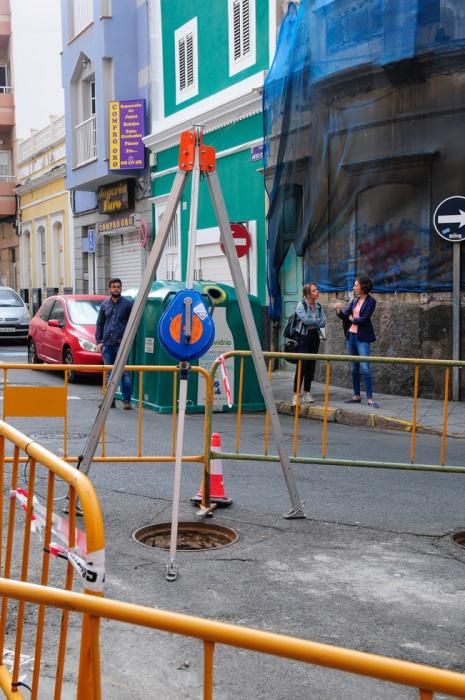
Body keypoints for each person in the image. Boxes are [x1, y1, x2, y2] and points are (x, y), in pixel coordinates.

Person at [334, 275, 378, 407]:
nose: (354, 287)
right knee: (354, 368)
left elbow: (364, 319)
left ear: (363, 287)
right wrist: (338, 311)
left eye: (356, 285)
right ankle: (356, 395)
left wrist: (353, 319)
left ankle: (370, 398)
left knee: (365, 367)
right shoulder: (354, 300)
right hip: (351, 336)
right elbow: (346, 316)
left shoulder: (371, 301)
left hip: (363, 337)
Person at [95, 278, 134, 410]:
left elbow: (132, 324)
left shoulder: (128, 304)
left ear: (121, 288)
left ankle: (126, 401)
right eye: (114, 287)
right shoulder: (105, 305)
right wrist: (99, 342)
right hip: (107, 345)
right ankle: (109, 401)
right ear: (109, 289)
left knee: (124, 373)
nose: (116, 289)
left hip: (121, 344)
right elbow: (100, 324)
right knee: (108, 373)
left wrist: (128, 341)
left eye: (118, 287)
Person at [292, 283, 326, 406]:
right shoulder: (301, 305)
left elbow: (323, 322)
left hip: (314, 337)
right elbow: (305, 321)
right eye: (314, 290)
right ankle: (296, 394)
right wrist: (316, 322)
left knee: (311, 365)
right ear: (307, 294)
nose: (317, 292)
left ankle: (307, 392)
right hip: (303, 337)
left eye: (317, 290)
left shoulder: (319, 306)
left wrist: (315, 322)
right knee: (302, 365)